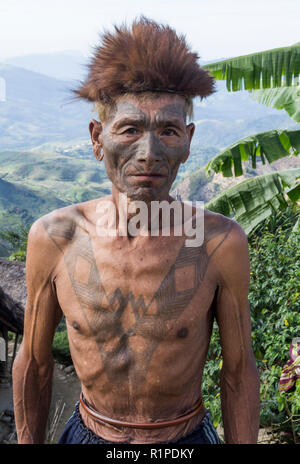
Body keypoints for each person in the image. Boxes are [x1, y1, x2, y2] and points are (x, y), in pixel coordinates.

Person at [12, 17, 260, 444]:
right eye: (129, 129)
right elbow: (34, 364)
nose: (149, 153)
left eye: (168, 130)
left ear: (188, 140)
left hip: (185, 440)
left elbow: (238, 372)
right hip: (88, 433)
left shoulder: (220, 244)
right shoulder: (55, 239)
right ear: (97, 138)